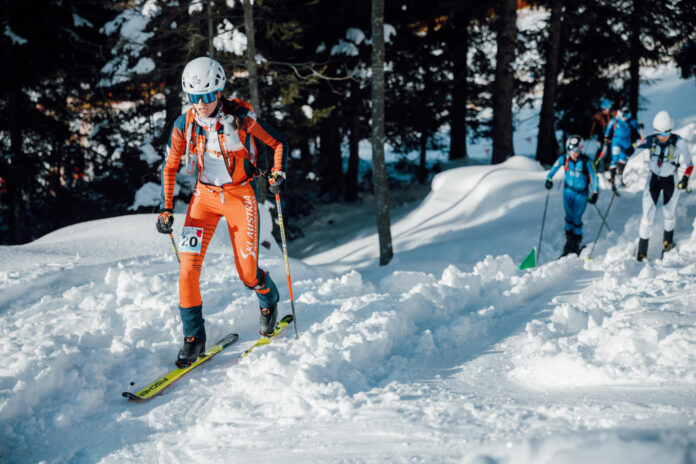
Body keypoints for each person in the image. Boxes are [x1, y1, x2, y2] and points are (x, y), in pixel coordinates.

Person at [156, 56, 288, 367]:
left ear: (219, 92)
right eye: (194, 97)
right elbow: (170, 165)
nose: (200, 104)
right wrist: (165, 208)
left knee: (248, 274)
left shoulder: (241, 117)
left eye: (207, 96)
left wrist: (277, 173)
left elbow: (277, 143)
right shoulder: (184, 124)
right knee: (187, 270)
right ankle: (193, 337)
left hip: (239, 196)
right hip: (203, 198)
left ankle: (269, 300)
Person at [633, 110, 693, 261]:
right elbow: (634, 147)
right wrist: (621, 162)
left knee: (668, 213)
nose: (661, 137)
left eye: (665, 134)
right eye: (658, 133)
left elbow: (690, 164)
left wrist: (685, 178)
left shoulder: (680, 143)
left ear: (670, 130)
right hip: (653, 179)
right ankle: (642, 251)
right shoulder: (651, 140)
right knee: (647, 215)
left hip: (670, 180)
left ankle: (667, 245)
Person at [545, 135, 600, 257]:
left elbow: (595, 177)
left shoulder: (586, 161)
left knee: (577, 217)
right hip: (568, 192)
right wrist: (548, 179)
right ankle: (569, 239)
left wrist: (595, 192)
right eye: (571, 150)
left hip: (581, 194)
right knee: (569, 215)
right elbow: (553, 169)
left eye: (577, 150)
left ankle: (576, 241)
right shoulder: (564, 159)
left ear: (580, 149)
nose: (574, 153)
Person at [602, 105, 641, 188]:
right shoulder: (616, 120)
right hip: (616, 141)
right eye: (623, 116)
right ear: (620, 114)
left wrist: (640, 126)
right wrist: (606, 137)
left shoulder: (630, 121)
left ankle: (620, 177)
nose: (625, 118)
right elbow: (609, 128)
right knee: (615, 158)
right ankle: (612, 177)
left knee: (623, 159)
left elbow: (637, 125)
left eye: (627, 116)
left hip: (626, 142)